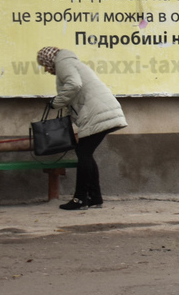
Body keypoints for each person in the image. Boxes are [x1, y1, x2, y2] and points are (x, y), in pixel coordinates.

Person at [36, 47, 127, 210]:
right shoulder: (69, 62)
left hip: (98, 114)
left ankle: (80, 198)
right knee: (86, 154)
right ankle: (95, 198)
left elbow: (74, 84)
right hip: (99, 113)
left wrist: (56, 102)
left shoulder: (63, 62)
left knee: (83, 153)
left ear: (50, 60)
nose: (46, 70)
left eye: (45, 65)